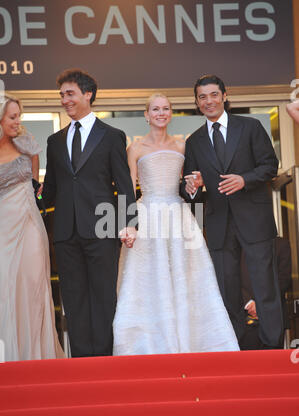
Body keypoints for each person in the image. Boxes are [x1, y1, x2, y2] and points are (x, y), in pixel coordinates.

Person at [112, 93, 239, 355]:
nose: (161, 113)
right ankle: (148, 344)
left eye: (166, 108)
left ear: (171, 113)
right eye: (155, 109)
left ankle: (191, 341)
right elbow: (127, 190)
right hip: (147, 217)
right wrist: (128, 224)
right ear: (146, 115)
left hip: (178, 216)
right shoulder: (135, 149)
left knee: (188, 277)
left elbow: (188, 186)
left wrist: (195, 184)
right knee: (148, 279)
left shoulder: (183, 146)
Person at [181, 74, 284, 349]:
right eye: (202, 97)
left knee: (265, 287)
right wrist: (193, 186)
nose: (208, 101)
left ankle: (273, 348)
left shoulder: (250, 127)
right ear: (197, 102)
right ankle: (234, 347)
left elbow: (269, 166)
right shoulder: (194, 141)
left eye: (214, 94)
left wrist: (244, 179)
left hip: (255, 220)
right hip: (219, 225)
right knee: (227, 291)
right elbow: (188, 189)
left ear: (224, 96)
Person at [42, 69, 137, 358]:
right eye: (62, 95)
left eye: (69, 94)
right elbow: (49, 191)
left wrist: (129, 224)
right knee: (74, 299)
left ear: (88, 94)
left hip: (103, 229)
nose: (65, 100)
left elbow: (124, 184)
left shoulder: (112, 136)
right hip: (66, 232)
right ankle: (81, 362)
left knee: (103, 296)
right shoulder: (55, 141)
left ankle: (104, 361)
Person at [0, 95, 64, 361]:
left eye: (19, 116)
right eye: (12, 117)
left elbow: (36, 187)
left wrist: (38, 200)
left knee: (33, 285)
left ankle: (37, 355)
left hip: (29, 224)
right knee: (6, 288)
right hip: (3, 227)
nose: (18, 122)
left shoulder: (27, 143)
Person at [240, 236, 292, 349]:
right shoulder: (238, 244)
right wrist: (249, 303)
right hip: (245, 319)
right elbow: (231, 279)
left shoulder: (281, 244)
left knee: (274, 364)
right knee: (248, 364)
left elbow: (284, 280)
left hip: (274, 320)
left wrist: (261, 305)